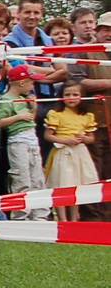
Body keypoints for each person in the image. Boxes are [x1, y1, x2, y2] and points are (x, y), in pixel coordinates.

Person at [0, 64, 48, 221]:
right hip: (18, 141)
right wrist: (18, 117)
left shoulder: (23, 99)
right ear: (22, 83)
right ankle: (20, 216)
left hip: (32, 139)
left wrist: (33, 108)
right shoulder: (6, 100)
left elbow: (30, 119)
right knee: (21, 178)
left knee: (37, 178)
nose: (33, 86)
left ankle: (40, 216)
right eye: (31, 82)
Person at [44, 82, 99, 221]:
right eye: (67, 95)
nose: (71, 98)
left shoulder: (87, 116)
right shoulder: (56, 114)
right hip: (63, 152)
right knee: (61, 183)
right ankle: (62, 218)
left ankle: (74, 218)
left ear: (82, 97)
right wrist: (65, 140)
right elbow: (48, 135)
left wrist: (84, 138)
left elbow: (91, 138)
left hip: (79, 153)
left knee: (76, 185)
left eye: (75, 95)